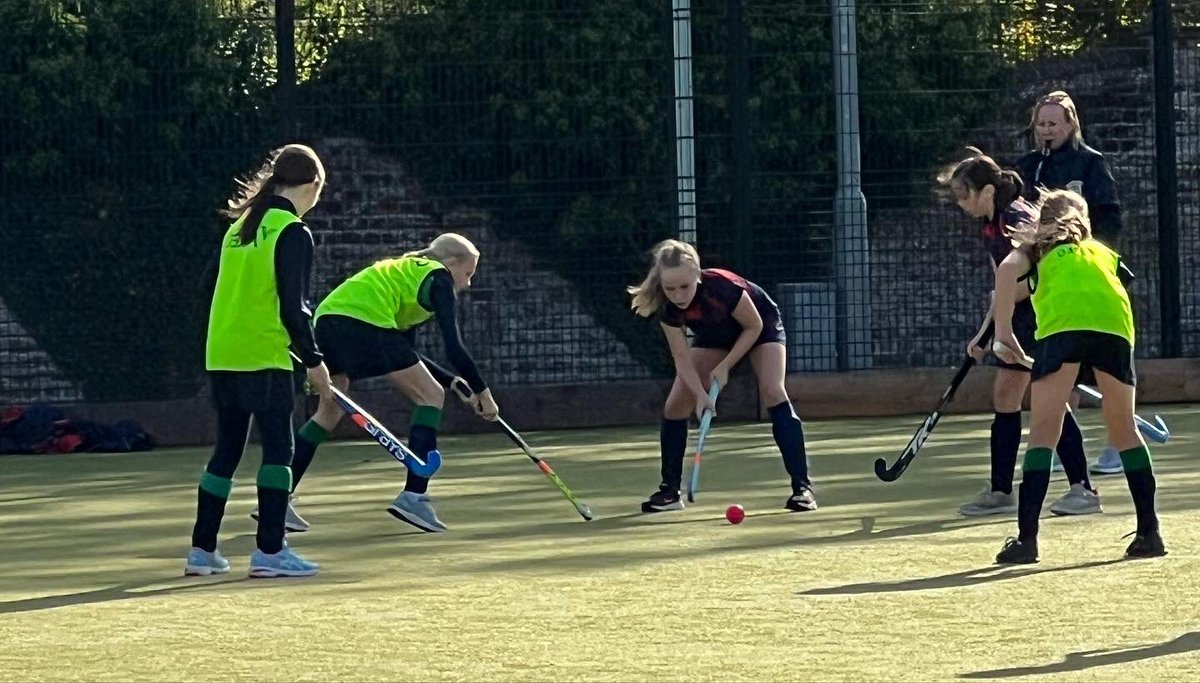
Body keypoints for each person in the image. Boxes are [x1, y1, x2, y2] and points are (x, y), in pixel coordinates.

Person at [278, 232, 497, 534]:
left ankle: (277, 497)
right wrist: (484, 392)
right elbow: (453, 346)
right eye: (468, 273)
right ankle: (414, 497)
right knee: (430, 396)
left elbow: (406, 354)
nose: (468, 283)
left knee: (329, 412)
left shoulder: (405, 274)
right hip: (364, 324)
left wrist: (455, 383)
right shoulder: (439, 277)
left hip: (327, 324)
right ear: (450, 263)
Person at [991, 189, 1165, 563]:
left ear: (1042, 221)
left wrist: (1003, 333)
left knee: (1043, 433)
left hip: (1062, 330)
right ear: (1083, 221)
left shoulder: (1036, 250)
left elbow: (1006, 271)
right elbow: (1114, 285)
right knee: (1124, 430)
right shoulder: (1102, 252)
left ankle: (1026, 541)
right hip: (1115, 329)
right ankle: (1150, 533)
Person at [187, 143, 333, 578]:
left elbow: (211, 289)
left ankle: (202, 550)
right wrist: (314, 360)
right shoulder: (292, 230)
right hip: (264, 354)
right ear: (313, 185)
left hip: (223, 352)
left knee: (227, 448)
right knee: (279, 450)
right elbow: (294, 306)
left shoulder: (238, 229)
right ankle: (270, 550)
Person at [939, 148, 1100, 517]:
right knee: (1007, 396)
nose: (960, 202)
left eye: (964, 194)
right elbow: (1003, 285)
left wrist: (997, 325)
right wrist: (984, 333)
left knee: (1050, 400)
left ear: (987, 191)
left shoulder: (1016, 219)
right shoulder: (991, 224)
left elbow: (1036, 276)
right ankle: (1000, 491)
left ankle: (1083, 489)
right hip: (1020, 319)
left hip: (1044, 317)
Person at [627, 239, 814, 513]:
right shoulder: (667, 307)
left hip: (760, 327)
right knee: (675, 405)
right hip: (715, 335)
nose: (678, 295)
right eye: (670, 288)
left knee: (773, 391)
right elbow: (682, 359)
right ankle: (669, 492)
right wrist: (701, 396)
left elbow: (753, 327)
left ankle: (802, 489)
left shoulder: (721, 287)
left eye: (684, 287)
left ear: (697, 275)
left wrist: (726, 365)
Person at [1015, 90, 1126, 475]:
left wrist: (1097, 259)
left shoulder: (1091, 164)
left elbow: (1109, 217)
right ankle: (1065, 445)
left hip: (1087, 274)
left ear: (1071, 124)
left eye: (1053, 124)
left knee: (1106, 366)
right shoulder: (1029, 166)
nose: (1045, 131)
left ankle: (1119, 445)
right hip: (1050, 279)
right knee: (1059, 361)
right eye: (1040, 124)